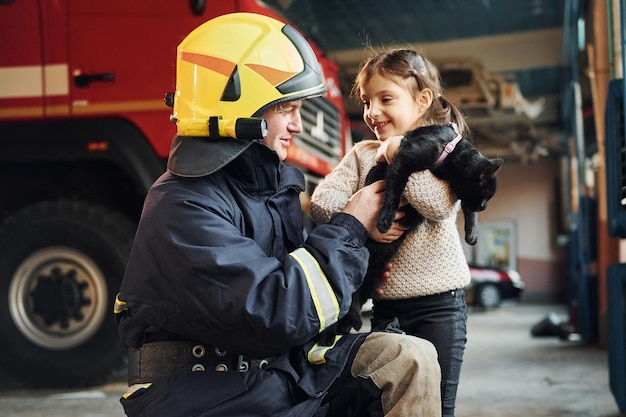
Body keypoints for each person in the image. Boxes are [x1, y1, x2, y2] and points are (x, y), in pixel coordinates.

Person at [113, 14, 442, 417]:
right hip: (209, 394)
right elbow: (280, 312)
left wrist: (365, 258)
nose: (298, 125)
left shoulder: (272, 190)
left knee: (408, 358)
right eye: (287, 108)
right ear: (241, 106)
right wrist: (350, 226)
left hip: (276, 373)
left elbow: (313, 308)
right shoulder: (182, 206)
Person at [310, 47, 470, 417]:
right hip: (385, 306)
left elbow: (438, 206)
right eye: (367, 101)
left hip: (439, 307)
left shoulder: (444, 155)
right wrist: (364, 220)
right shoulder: (362, 153)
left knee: (436, 406)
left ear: (422, 99)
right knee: (392, 402)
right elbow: (322, 201)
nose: (372, 112)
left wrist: (402, 154)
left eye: (386, 99)